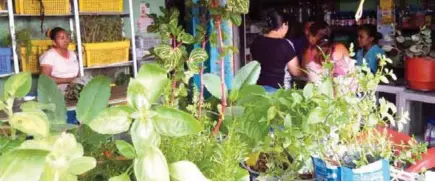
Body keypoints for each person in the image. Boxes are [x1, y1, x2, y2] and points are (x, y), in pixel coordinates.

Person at [250, 10, 302, 93]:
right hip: (279, 91)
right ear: (284, 25)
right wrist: (306, 72)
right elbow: (295, 71)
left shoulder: (256, 41)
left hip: (258, 89)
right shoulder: (285, 44)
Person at [40, 27, 79, 93]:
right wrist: (69, 80)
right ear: (54, 42)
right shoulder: (49, 55)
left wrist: (77, 81)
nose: (65, 40)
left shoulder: (72, 54)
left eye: (67, 37)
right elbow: (45, 79)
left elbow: (77, 73)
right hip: (57, 89)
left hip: (75, 86)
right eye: (61, 38)